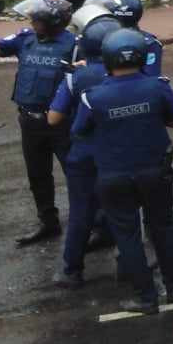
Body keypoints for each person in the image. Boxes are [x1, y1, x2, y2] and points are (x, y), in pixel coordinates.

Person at [71, 28, 173, 314]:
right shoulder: (157, 86)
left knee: (127, 235)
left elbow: (80, 131)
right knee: (164, 227)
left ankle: (145, 297)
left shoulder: (93, 96)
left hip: (114, 175)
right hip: (155, 171)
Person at [45, 15, 124, 287]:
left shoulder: (75, 78)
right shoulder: (128, 75)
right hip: (117, 153)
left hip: (83, 155)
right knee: (123, 209)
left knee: (81, 212)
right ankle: (128, 262)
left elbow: (53, 118)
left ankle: (72, 270)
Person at [0, 0, 76, 245]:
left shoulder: (74, 45)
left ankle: (96, 225)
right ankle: (48, 223)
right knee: (37, 175)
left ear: (52, 23)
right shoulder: (25, 39)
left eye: (36, 19)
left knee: (77, 175)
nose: (31, 21)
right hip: (29, 121)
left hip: (62, 123)